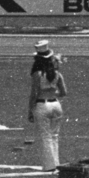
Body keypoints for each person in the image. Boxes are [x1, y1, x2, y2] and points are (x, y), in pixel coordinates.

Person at [28, 41, 67, 171]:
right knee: (55, 136)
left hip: (42, 105)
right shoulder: (57, 73)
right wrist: (52, 91)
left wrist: (30, 109)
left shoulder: (38, 74)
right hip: (56, 104)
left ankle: (50, 166)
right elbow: (63, 92)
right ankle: (56, 163)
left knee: (46, 137)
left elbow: (34, 93)